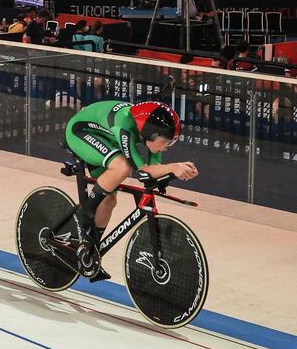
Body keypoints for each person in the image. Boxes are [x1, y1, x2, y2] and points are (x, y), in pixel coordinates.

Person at [64, 100, 197, 281]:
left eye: (171, 142)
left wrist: (174, 171)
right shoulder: (125, 126)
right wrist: (172, 167)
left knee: (109, 200)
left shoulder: (149, 133)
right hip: (80, 132)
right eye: (165, 141)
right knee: (122, 167)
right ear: (151, 134)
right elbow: (142, 170)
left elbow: (154, 169)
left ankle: (91, 248)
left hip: (105, 137)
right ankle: (86, 211)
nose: (167, 146)